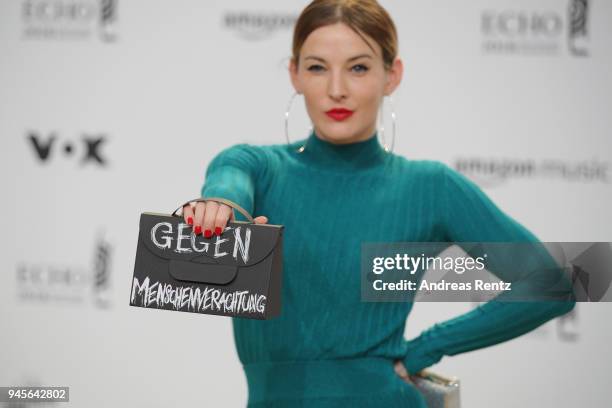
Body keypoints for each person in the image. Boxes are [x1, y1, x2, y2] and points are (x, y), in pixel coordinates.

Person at [182, 1, 576, 406]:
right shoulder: (256, 167)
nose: (337, 88)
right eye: (318, 67)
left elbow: (552, 285)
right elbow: (228, 181)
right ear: (295, 74)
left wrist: (428, 346)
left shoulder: (429, 186)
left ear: (392, 75)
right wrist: (220, 208)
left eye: (358, 67)